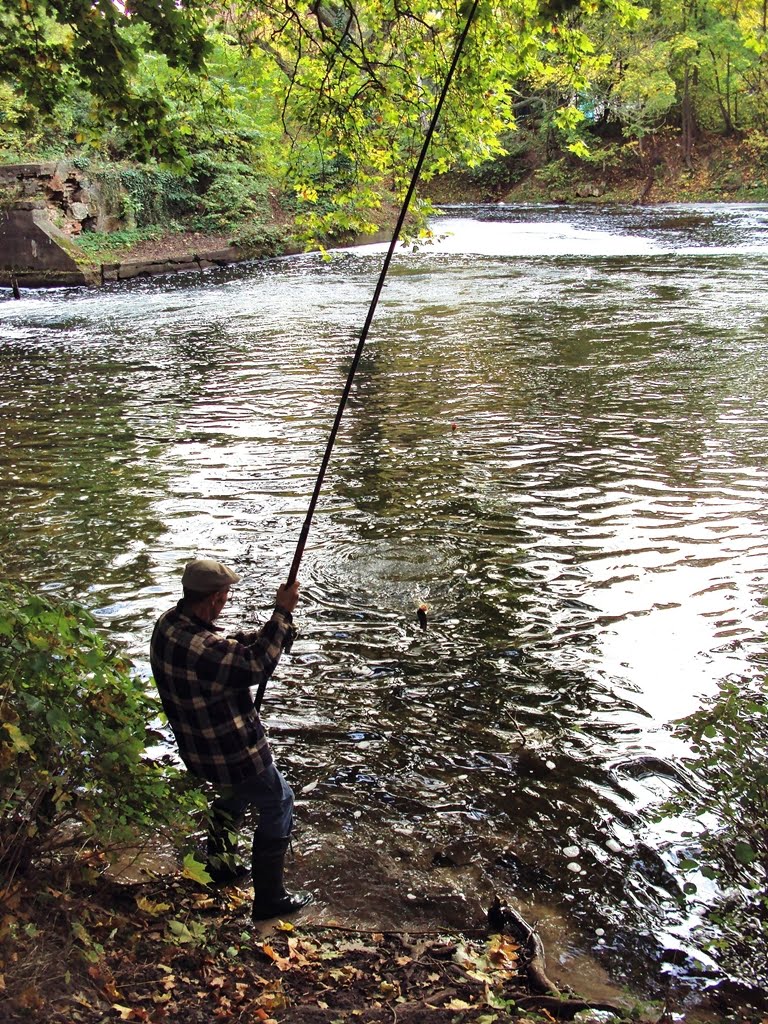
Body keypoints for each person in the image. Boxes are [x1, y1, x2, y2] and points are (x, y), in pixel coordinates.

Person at [150, 557, 312, 920]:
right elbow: (253, 666)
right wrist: (281, 612)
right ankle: (270, 899)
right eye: (224, 596)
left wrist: (271, 631)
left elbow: (228, 652)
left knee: (234, 794)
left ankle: (221, 865)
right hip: (231, 751)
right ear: (213, 600)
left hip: (198, 748)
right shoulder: (203, 646)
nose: (225, 602)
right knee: (279, 801)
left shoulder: (169, 625)